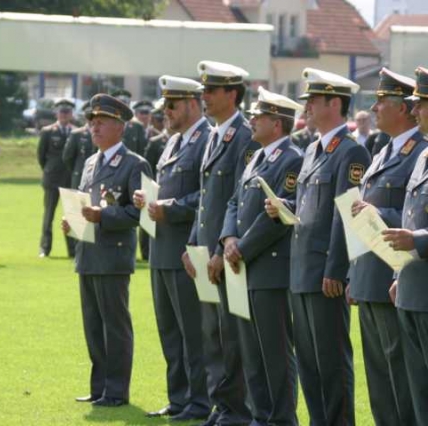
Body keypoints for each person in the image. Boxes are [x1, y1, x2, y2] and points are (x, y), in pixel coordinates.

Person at [265, 68, 371, 426]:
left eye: (313, 99)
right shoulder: (312, 148)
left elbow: (346, 215)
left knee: (332, 362)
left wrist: (336, 269)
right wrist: (284, 207)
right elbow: (307, 204)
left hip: (326, 272)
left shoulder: (351, 153)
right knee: (309, 363)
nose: (307, 106)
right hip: (301, 270)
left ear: (335, 103)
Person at [221, 87, 304, 426]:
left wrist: (242, 246)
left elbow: (277, 219)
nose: (252, 120)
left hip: (269, 266)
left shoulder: (292, 159)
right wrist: (228, 238)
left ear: (277, 123)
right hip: (244, 266)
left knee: (275, 353)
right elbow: (234, 203)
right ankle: (260, 416)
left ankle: (281, 419)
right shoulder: (256, 157)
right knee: (252, 352)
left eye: (260, 116)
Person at [63, 93, 151, 407]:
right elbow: (86, 203)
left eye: (102, 122)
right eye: (91, 122)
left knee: (115, 326)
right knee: (93, 325)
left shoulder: (133, 164)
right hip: (88, 255)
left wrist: (105, 216)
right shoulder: (90, 162)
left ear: (120, 127)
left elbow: (142, 214)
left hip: (113, 256)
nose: (94, 128)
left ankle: (116, 390)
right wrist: (71, 221)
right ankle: (100, 386)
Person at [183, 61, 258, 426]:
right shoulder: (215, 133)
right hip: (206, 251)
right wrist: (192, 243)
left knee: (232, 334)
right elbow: (204, 197)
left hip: (228, 255)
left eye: (212, 91)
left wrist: (216, 250)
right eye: (204, 91)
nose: (205, 97)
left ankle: (237, 409)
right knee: (212, 333)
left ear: (233, 94)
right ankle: (221, 405)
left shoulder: (244, 136)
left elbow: (238, 201)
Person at [347, 67, 423, 425]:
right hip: (371, 277)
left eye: (381, 102)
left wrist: (381, 212)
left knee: (402, 379)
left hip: (397, 276)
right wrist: (352, 272)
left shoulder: (418, 151)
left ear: (403, 109)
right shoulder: (381, 150)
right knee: (378, 378)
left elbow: (410, 219)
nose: (374, 110)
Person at [133, 76, 210, 421]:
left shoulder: (206, 140)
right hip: (161, 249)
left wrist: (171, 206)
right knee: (169, 331)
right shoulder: (173, 142)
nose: (166, 112)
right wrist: (149, 200)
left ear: (193, 104)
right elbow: (168, 190)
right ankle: (178, 398)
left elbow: (208, 197)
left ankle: (199, 401)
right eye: (165, 105)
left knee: (193, 331)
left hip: (187, 250)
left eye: (173, 105)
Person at [385, 65, 428, 425]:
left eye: (421, 104)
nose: (414, 111)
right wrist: (402, 273)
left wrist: (417, 241)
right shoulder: (424, 156)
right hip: (413, 291)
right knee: (419, 394)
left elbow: (416, 232)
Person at [37, 98, 76, 258]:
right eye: (62, 111)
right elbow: (41, 156)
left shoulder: (77, 132)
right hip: (52, 179)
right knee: (49, 215)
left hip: (70, 179)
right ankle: (45, 248)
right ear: (56, 113)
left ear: (71, 114)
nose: (64, 115)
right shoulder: (48, 131)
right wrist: (49, 170)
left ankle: (72, 250)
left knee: (71, 216)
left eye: (67, 112)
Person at [62, 101, 95, 191]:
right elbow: (67, 157)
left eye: (94, 115)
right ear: (85, 116)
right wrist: (77, 168)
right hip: (80, 175)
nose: (91, 118)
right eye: (89, 115)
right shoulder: (76, 134)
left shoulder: (105, 134)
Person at [112, 89, 147, 156]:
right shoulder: (107, 124)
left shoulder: (137, 126)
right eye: (119, 103)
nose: (122, 106)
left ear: (129, 105)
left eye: (125, 103)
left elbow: (142, 152)